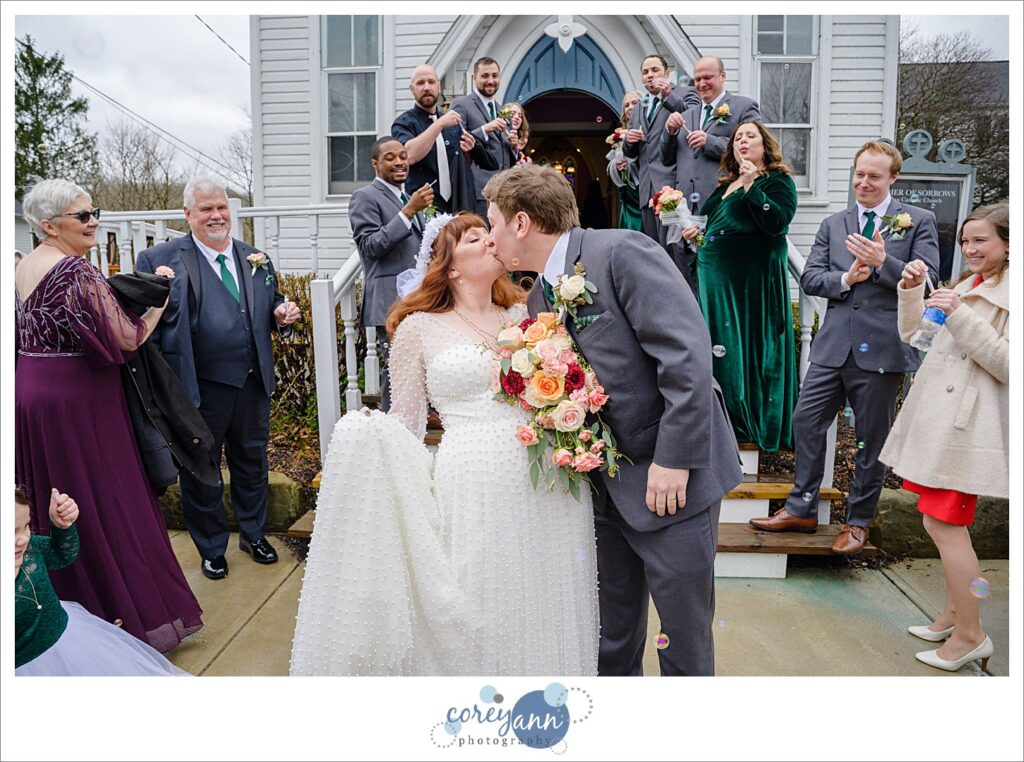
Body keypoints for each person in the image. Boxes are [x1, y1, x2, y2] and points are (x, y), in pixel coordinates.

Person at [290, 212, 599, 675]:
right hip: (472, 480)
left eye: (488, 233)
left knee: (545, 591)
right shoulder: (418, 328)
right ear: (450, 267)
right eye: (476, 238)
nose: (491, 242)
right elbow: (408, 424)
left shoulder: (529, 313)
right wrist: (373, 432)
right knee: (480, 593)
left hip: (545, 476)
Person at [485, 164, 742, 676]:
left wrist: (675, 459)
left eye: (491, 223)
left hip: (672, 481)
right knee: (610, 638)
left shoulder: (620, 251)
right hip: (606, 487)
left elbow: (686, 356)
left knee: (683, 639)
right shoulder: (539, 295)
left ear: (520, 223)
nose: (489, 237)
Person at [15, 178, 203, 651]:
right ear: (48, 225)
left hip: (32, 397)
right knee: (107, 499)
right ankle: (126, 617)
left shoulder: (21, 268)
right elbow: (127, 338)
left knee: (52, 500)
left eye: (94, 210)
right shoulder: (75, 272)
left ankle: (67, 608)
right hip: (80, 402)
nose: (94, 220)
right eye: (83, 215)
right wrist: (159, 294)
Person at [750, 140, 940, 555]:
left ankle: (857, 522)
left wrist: (883, 261)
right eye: (859, 174)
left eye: (874, 176)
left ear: (893, 178)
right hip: (833, 346)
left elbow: (928, 284)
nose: (864, 183)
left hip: (884, 350)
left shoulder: (918, 221)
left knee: (870, 440)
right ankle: (801, 507)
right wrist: (848, 278)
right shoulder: (834, 224)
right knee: (806, 420)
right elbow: (811, 278)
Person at [135, 177, 301, 580]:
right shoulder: (160, 258)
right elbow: (141, 326)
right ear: (188, 214)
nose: (216, 215)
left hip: (251, 383)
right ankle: (211, 547)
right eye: (206, 209)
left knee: (251, 462)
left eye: (221, 207)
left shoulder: (255, 258)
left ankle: (253, 533)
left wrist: (281, 314)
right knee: (201, 468)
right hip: (195, 388)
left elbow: (270, 303)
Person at [880, 204, 1008, 672]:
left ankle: (972, 636)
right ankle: (956, 614)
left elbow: (1009, 365)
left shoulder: (1010, 294)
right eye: (966, 242)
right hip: (937, 421)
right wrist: (911, 291)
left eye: (982, 241)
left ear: (1008, 244)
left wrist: (961, 317)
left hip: (965, 428)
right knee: (938, 524)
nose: (970, 250)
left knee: (945, 526)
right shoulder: (966, 286)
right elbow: (917, 337)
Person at [681, 122, 798, 451]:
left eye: (751, 136)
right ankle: (716, 418)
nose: (743, 141)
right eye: (738, 138)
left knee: (738, 349)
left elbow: (777, 223)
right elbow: (714, 226)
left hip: (747, 284)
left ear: (765, 146)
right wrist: (696, 235)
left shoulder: (777, 181)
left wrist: (752, 187)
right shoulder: (724, 186)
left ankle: (742, 425)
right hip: (714, 280)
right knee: (715, 346)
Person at [15, 487, 190, 676]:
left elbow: (61, 554)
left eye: (26, 526)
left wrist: (62, 527)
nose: (23, 539)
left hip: (73, 642)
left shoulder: (31, 548)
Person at [662, 56, 761, 290]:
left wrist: (711, 142)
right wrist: (668, 132)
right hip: (684, 209)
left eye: (708, 77)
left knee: (718, 278)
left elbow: (755, 151)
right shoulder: (686, 114)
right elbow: (666, 158)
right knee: (685, 279)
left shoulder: (743, 107)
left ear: (723, 76)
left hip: (720, 206)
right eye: (697, 79)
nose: (701, 83)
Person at [348, 137, 429, 411]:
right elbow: (371, 246)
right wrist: (409, 211)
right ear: (375, 163)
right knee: (395, 370)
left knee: (417, 366)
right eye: (390, 158)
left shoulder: (406, 196)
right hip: (389, 299)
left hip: (417, 298)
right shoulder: (365, 197)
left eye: (403, 156)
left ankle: (415, 420)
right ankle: (389, 427)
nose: (399, 163)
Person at [390, 64, 496, 215]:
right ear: (411, 89)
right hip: (424, 207)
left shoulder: (453, 123)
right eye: (420, 83)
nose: (427, 87)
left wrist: (469, 149)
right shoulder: (404, 123)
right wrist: (439, 124)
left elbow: (464, 162)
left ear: (439, 87)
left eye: (431, 82)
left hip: (457, 205)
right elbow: (409, 155)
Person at [621, 54, 700, 246]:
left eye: (655, 70)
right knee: (655, 250)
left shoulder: (684, 94)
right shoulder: (639, 108)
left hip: (672, 188)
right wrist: (629, 141)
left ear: (667, 73)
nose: (650, 75)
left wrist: (667, 96)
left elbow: (693, 117)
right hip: (647, 190)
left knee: (677, 249)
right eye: (645, 72)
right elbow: (630, 153)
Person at [451, 57, 514, 217]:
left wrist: (514, 148)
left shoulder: (502, 109)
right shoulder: (462, 105)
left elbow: (505, 155)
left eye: (494, 76)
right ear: (474, 78)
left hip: (506, 192)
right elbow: (455, 142)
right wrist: (485, 129)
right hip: (479, 191)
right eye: (485, 76)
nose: (491, 80)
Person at [606, 90, 644, 232]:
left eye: (634, 103)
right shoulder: (621, 134)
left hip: (645, 193)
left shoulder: (651, 128)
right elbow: (612, 165)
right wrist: (617, 165)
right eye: (626, 105)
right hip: (629, 196)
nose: (630, 107)